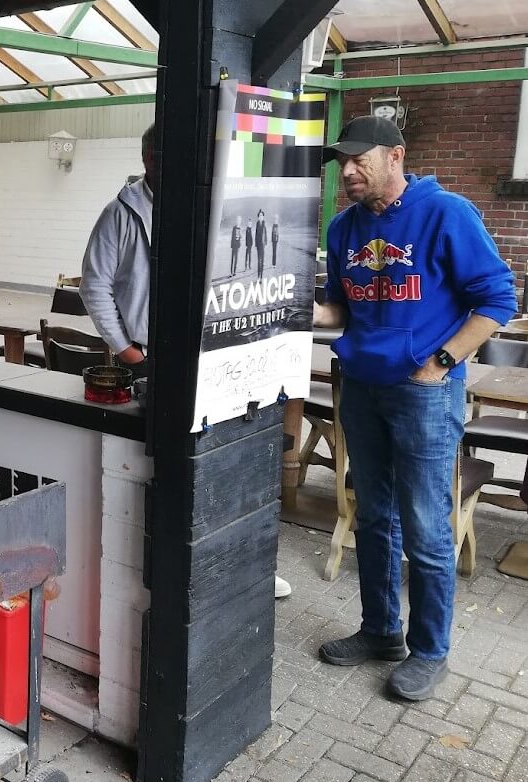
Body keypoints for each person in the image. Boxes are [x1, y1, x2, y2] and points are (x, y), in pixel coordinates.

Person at [314, 115, 515, 701]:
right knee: (373, 515)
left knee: (426, 526)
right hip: (364, 387)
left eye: (360, 159)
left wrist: (442, 363)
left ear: (396, 156)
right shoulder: (343, 228)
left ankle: (430, 650)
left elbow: (498, 299)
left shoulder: (446, 213)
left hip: (425, 391)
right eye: (342, 162)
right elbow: (338, 312)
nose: (348, 170)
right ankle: (381, 632)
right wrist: (282, 306)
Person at [81, 127, 293, 599]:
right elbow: (93, 286)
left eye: (177, 153)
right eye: (158, 155)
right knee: (165, 469)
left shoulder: (210, 204)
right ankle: (174, 577)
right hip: (150, 358)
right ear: (145, 158)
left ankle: (246, 566)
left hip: (211, 353)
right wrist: (129, 353)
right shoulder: (121, 213)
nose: (168, 163)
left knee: (228, 459)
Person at [80, 123, 155, 372]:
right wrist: (126, 349)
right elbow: (94, 286)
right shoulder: (119, 213)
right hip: (143, 357)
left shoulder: (198, 208)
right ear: (150, 158)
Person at [255, 210, 267, 278]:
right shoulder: (257, 224)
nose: (261, 216)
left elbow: (265, 233)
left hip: (263, 245)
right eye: (259, 215)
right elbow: (256, 234)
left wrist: (265, 243)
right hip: (258, 246)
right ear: (258, 217)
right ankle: (258, 276)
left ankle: (261, 277)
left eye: (262, 215)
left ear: (263, 217)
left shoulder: (264, 224)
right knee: (258, 261)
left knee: (262, 261)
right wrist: (256, 244)